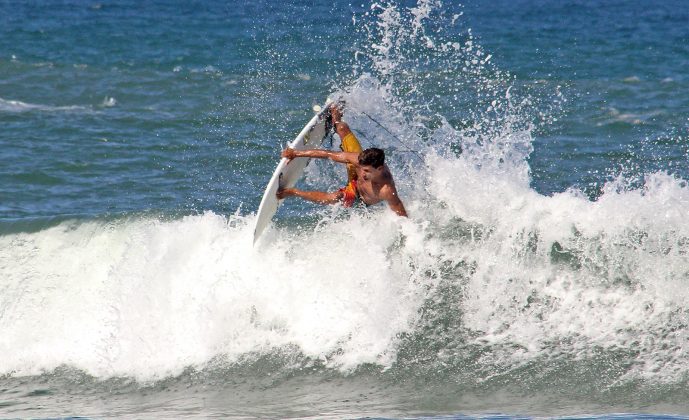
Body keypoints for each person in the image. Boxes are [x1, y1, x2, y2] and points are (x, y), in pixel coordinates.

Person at [276, 105, 408, 217]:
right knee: (343, 129)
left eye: (367, 171)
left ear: (379, 169)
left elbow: (402, 216)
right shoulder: (359, 161)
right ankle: (337, 117)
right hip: (353, 176)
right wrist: (297, 153)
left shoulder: (386, 189)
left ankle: (293, 192)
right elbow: (329, 155)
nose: (363, 173)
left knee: (336, 197)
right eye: (362, 169)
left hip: (357, 197)